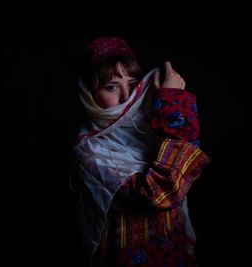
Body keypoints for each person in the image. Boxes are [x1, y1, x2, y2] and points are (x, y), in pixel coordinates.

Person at [70, 36, 211, 267]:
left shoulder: (149, 129)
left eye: (133, 84)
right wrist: (174, 103)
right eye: (111, 86)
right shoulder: (90, 153)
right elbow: (162, 192)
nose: (126, 97)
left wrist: (166, 108)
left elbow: (188, 169)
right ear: (90, 94)